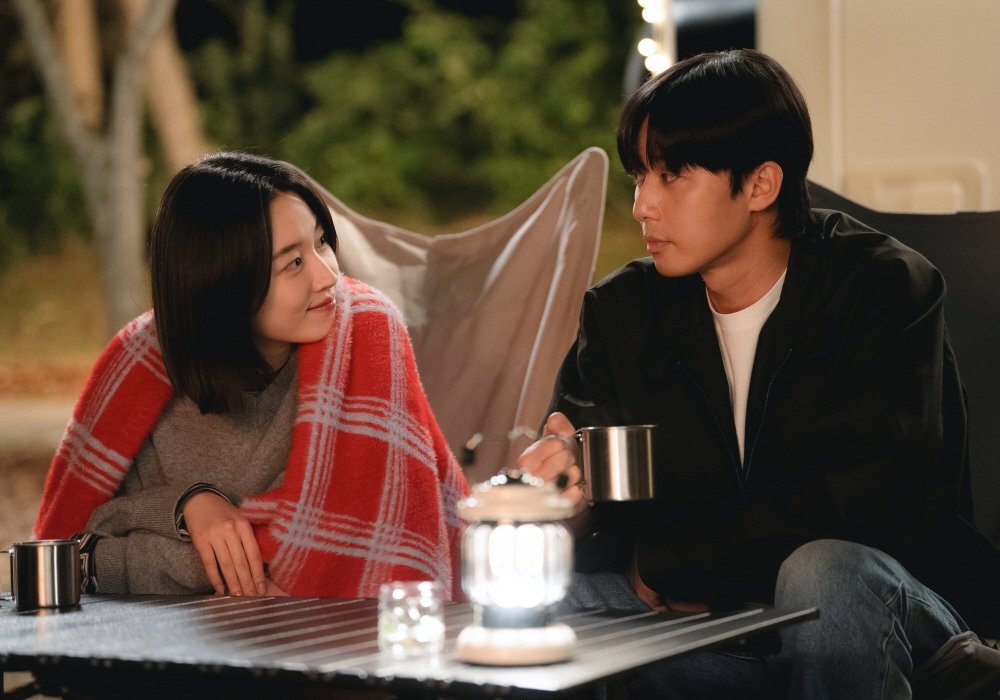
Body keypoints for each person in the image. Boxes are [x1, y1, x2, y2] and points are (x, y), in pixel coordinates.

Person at [518, 49, 1000, 698]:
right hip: (712, 629)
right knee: (536, 603)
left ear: (761, 185)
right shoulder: (623, 311)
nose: (642, 206)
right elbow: (587, 485)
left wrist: (672, 564)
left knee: (823, 573)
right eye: (639, 177)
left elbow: (864, 508)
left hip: (880, 613)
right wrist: (562, 503)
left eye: (671, 176)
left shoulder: (883, 288)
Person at [33, 152, 468, 601]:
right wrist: (188, 505)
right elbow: (69, 555)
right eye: (292, 263)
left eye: (321, 243)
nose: (328, 276)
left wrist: (206, 559)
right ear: (222, 283)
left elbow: (379, 547)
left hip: (346, 634)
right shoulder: (139, 367)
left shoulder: (366, 334)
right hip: (155, 637)